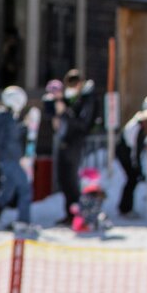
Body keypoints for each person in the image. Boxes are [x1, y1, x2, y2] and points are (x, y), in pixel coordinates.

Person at [0, 85, 33, 230]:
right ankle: (23, 221)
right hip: (12, 160)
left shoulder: (3, 118)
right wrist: (21, 158)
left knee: (7, 190)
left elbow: (11, 135)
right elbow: (12, 139)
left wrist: (23, 126)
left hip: (5, 159)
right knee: (25, 189)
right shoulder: (8, 119)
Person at [54, 68, 99, 224]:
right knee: (63, 178)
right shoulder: (75, 99)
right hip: (66, 140)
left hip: (76, 142)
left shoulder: (88, 99)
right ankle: (70, 212)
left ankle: (77, 214)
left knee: (71, 179)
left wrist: (65, 112)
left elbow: (82, 123)